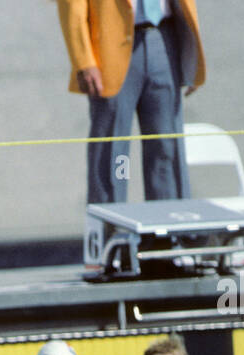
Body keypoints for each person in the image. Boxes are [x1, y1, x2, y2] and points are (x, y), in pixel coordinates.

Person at [56, 0, 206, 205]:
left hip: (163, 38)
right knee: (112, 148)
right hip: (109, 47)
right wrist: (83, 60)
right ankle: (112, 228)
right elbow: (71, 6)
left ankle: (168, 227)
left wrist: (190, 54)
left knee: (166, 142)